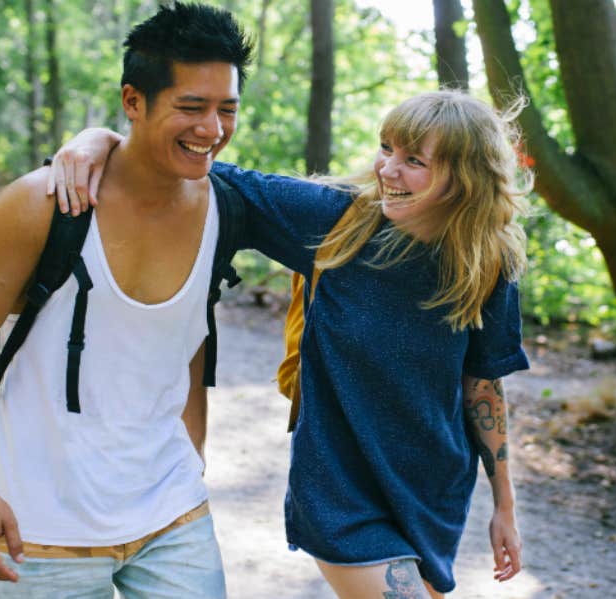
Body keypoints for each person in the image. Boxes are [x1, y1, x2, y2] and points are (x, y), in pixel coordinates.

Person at [50, 90, 530, 597]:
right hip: (341, 494)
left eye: (414, 160)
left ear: (466, 177)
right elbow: (210, 174)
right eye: (386, 148)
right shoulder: (336, 223)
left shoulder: (488, 261)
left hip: (433, 494)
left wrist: (504, 506)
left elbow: (481, 385)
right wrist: (102, 140)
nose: (388, 169)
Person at [0, 3, 253, 597]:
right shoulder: (41, 205)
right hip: (39, 527)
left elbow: (186, 336)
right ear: (133, 101)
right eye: (190, 107)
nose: (212, 128)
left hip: (172, 516)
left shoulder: (226, 207)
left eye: (226, 108)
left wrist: (192, 456)